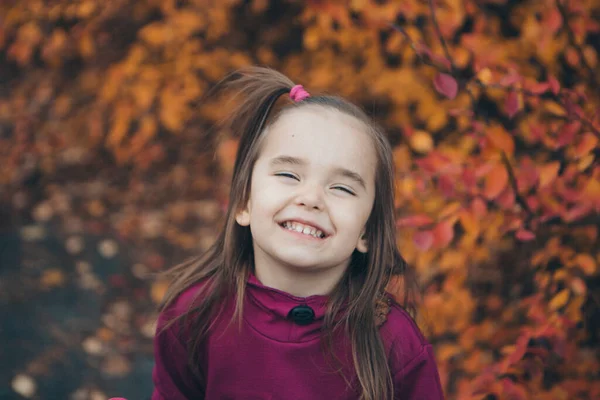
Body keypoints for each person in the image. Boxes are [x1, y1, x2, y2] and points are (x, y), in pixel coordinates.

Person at [151, 67, 444, 400]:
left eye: (342, 188)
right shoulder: (194, 315)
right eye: (289, 174)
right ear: (244, 201)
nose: (311, 199)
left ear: (367, 232)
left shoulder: (395, 345)